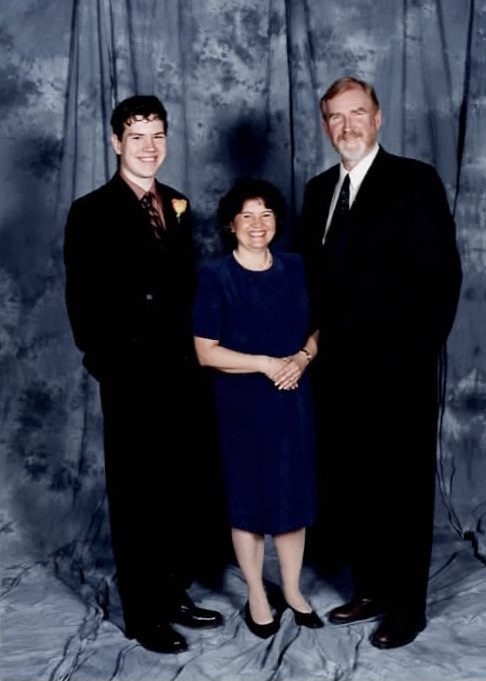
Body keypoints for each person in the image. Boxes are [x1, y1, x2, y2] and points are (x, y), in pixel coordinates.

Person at [298, 77, 462, 649]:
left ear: (379, 117)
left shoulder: (413, 182)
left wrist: (414, 358)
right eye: (336, 118)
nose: (347, 126)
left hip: (399, 373)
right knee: (356, 487)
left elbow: (442, 280)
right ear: (325, 126)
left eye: (357, 113)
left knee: (402, 491)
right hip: (337, 374)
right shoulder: (319, 189)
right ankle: (370, 588)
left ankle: (406, 608)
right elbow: (311, 284)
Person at [63, 95, 223, 654]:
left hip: (181, 375)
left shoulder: (176, 202)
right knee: (136, 496)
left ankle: (173, 591)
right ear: (115, 143)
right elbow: (82, 302)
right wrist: (110, 367)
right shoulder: (91, 210)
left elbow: (184, 293)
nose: (149, 147)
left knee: (178, 490)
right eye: (137, 137)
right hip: (131, 377)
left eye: (157, 135)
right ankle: (144, 613)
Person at [193, 178, 323, 639]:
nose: (256, 224)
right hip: (240, 405)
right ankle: (256, 593)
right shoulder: (215, 276)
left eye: (265, 214)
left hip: (293, 399)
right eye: (246, 215)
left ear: (276, 222)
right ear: (231, 224)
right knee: (247, 501)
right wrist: (266, 364)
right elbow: (206, 351)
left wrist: (302, 359)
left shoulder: (297, 268)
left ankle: (291, 589)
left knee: (292, 499)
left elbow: (319, 328)